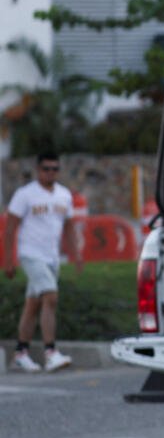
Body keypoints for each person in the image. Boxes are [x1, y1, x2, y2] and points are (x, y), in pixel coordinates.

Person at [3, 152, 82, 373]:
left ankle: (21, 353)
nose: (51, 173)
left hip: (52, 257)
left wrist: (76, 254)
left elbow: (68, 226)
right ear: (38, 170)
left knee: (33, 304)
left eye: (55, 169)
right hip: (31, 254)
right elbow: (10, 227)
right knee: (51, 296)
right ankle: (50, 352)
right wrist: (8, 259)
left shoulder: (64, 195)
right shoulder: (25, 194)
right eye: (46, 169)